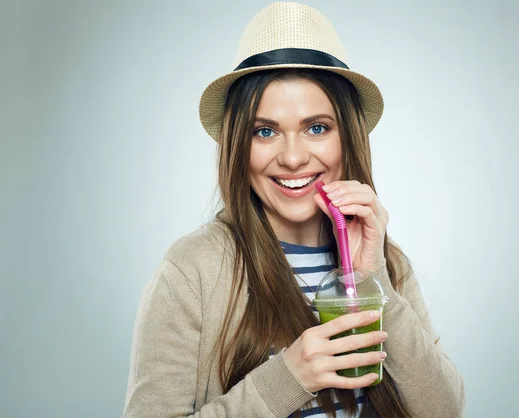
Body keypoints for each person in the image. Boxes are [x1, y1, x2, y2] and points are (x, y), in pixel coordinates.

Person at [123, 2, 465, 417]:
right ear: (238, 147)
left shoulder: (385, 263)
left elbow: (444, 411)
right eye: (264, 131)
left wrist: (376, 282)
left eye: (316, 128)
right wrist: (288, 379)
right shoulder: (192, 271)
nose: (292, 158)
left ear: (348, 137)